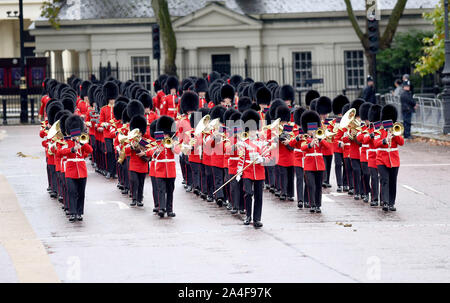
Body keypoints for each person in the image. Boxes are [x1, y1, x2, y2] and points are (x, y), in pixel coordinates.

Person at [237, 109, 273, 228]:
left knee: (258, 196)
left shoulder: (262, 143)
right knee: (248, 193)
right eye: (250, 130)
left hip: (259, 171)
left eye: (254, 129)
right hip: (247, 172)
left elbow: (268, 156)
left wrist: (262, 159)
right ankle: (248, 216)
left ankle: (257, 219)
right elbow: (241, 158)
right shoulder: (244, 142)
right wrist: (239, 172)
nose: (252, 132)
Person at [61, 115, 93, 222]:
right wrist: (72, 149)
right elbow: (60, 152)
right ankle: (72, 212)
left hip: (82, 170)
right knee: (72, 192)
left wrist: (81, 142)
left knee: (81, 193)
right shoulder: (66, 141)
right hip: (70, 170)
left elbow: (90, 150)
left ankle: (79, 212)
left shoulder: (82, 140)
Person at [300, 110, 331, 213]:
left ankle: (318, 205)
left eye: (314, 129)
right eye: (310, 129)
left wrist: (321, 139)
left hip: (320, 165)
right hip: (309, 165)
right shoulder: (305, 138)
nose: (312, 131)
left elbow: (328, 147)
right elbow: (302, 147)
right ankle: (312, 204)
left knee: (318, 186)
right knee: (311, 185)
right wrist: (310, 144)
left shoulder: (320, 137)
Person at [375, 105, 404, 211]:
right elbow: (375, 143)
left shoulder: (396, 129)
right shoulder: (379, 130)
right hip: (381, 159)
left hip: (394, 160)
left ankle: (392, 203)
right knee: (384, 180)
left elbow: (401, 142)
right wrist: (384, 140)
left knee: (392, 181)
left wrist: (394, 134)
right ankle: (385, 202)